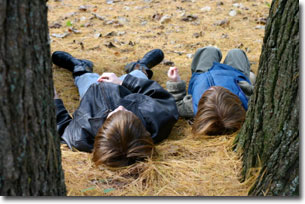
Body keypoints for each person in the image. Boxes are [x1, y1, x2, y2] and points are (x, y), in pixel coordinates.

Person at [53, 49, 179, 167]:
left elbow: (61, 125)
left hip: (93, 92)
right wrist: (123, 82)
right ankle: (141, 66)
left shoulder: (81, 137)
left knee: (85, 78)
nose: (120, 107)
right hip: (127, 89)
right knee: (139, 74)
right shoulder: (156, 122)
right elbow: (161, 97)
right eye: (127, 112)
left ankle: (80, 66)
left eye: (114, 114)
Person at [166, 46, 256, 136]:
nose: (214, 86)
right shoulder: (246, 101)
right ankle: (251, 76)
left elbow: (176, 104)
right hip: (234, 73)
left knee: (209, 50)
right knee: (236, 53)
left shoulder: (192, 107)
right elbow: (255, 93)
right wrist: (247, 86)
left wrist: (175, 82)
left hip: (203, 73)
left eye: (209, 90)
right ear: (236, 102)